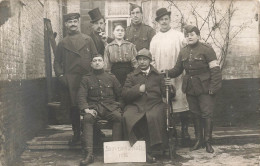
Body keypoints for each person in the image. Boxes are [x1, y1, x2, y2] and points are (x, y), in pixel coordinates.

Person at [165, 25, 222, 153]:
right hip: (190, 88)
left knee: (207, 114)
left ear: (198, 36)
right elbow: (177, 69)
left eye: (192, 34)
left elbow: (215, 70)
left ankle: (208, 142)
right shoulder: (183, 51)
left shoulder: (207, 49)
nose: (189, 37)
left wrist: (213, 87)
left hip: (205, 88)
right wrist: (165, 72)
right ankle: (199, 140)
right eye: (187, 35)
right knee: (195, 114)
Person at [54, 13, 98, 146]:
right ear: (66, 25)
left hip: (87, 78)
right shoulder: (62, 43)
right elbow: (57, 62)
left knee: (89, 104)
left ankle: (91, 133)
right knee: (74, 108)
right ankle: (76, 134)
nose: (73, 24)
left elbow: (95, 56)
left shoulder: (88, 39)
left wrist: (95, 74)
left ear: (78, 22)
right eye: (70, 22)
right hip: (71, 80)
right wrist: (61, 76)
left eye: (75, 21)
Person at [150, 7, 190, 145]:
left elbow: (186, 51)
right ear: (158, 22)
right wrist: (157, 74)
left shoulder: (178, 36)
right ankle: (170, 131)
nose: (164, 22)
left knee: (182, 101)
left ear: (169, 20)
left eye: (166, 19)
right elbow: (152, 59)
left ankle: (184, 130)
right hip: (163, 76)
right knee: (166, 104)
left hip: (178, 74)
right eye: (161, 20)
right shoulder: (155, 39)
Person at [122, 48, 168, 163]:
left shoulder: (158, 75)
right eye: (140, 59)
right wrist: (138, 89)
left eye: (145, 59)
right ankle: (137, 149)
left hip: (155, 104)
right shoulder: (131, 76)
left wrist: (169, 87)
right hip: (136, 105)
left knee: (153, 116)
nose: (142, 62)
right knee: (127, 116)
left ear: (150, 61)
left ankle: (153, 149)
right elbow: (125, 95)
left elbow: (168, 95)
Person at [77, 55, 123, 166]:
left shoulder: (111, 77)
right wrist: (86, 109)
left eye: (99, 60)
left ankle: (115, 151)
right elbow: (81, 96)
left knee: (118, 117)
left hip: (110, 107)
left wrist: (119, 106)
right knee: (87, 119)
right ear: (91, 64)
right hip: (94, 108)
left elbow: (121, 94)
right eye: (95, 61)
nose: (97, 63)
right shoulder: (86, 78)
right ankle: (89, 154)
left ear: (104, 63)